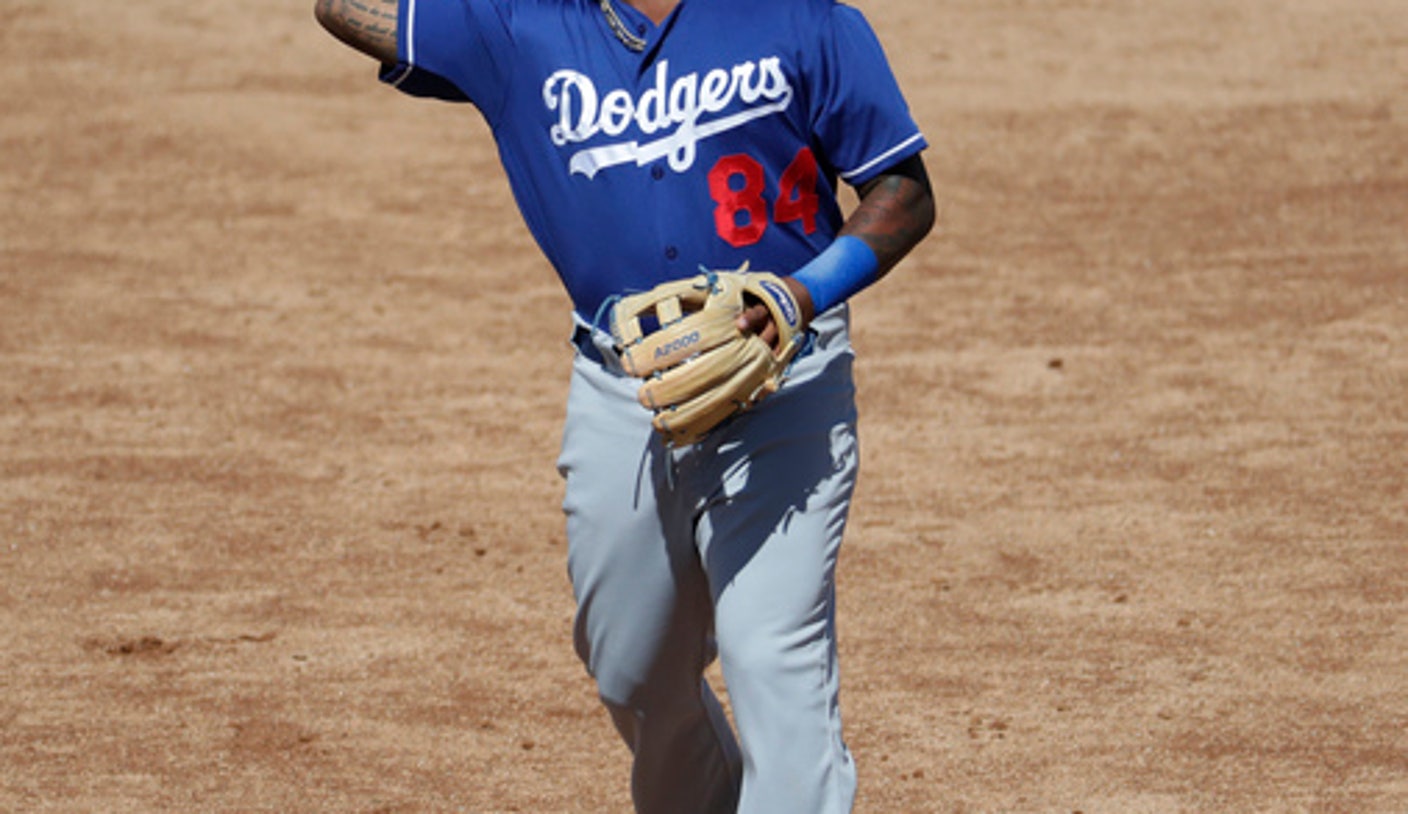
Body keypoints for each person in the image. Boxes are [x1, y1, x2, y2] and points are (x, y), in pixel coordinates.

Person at [314, 1, 934, 811]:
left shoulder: (805, 21)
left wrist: (801, 293)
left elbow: (905, 192)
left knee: (770, 654)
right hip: (621, 392)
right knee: (632, 669)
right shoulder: (519, 28)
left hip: (785, 382)